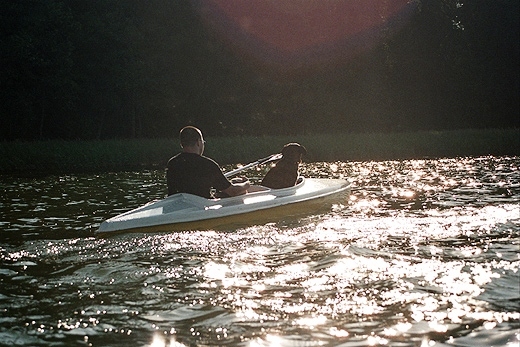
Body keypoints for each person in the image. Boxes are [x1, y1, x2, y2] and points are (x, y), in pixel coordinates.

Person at [166, 126, 250, 198]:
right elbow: (233, 191)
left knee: (231, 184)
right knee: (242, 192)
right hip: (200, 207)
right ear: (198, 142)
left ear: (182, 144)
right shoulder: (208, 165)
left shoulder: (172, 163)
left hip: (176, 205)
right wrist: (246, 184)